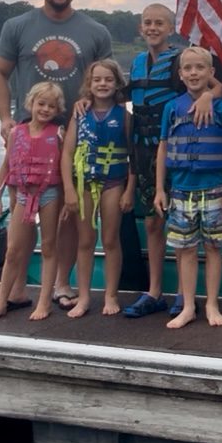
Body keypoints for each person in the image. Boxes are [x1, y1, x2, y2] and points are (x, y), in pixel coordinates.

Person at [0, 0, 112, 316]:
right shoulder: (17, 26)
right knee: (21, 211)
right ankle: (16, 289)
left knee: (68, 212)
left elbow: (107, 81)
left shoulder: (96, 31)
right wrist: (5, 119)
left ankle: (62, 284)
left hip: (76, 136)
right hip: (29, 137)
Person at [122, 4, 222, 319]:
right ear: (141, 28)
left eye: (159, 23)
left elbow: (218, 86)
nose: (153, 28)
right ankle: (154, 292)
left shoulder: (181, 61)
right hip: (144, 152)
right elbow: (121, 96)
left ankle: (183, 293)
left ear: (170, 28)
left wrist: (208, 97)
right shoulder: (137, 63)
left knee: (180, 226)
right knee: (153, 221)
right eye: (148, 23)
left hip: (176, 155)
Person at [154, 46, 222, 329]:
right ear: (180, 74)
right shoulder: (171, 108)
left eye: (200, 68)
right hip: (180, 190)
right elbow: (163, 148)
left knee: (214, 247)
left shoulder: (221, 108)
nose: (193, 73)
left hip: (214, 188)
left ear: (211, 72)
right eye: (188, 68)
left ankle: (212, 303)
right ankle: (188, 305)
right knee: (186, 249)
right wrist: (160, 189)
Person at [0, 81, 65, 323]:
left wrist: (67, 198)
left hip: (50, 195)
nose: (45, 109)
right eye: (41, 104)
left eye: (51, 106)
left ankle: (44, 301)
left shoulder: (58, 134)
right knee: (13, 250)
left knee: (49, 247)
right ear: (31, 103)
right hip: (23, 196)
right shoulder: (17, 132)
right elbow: (6, 165)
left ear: (57, 110)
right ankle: (2, 301)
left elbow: (64, 167)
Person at [60, 59, 134, 318]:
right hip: (84, 184)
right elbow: (67, 153)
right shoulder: (79, 114)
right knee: (86, 240)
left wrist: (130, 189)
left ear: (117, 84)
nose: (103, 84)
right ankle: (83, 297)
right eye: (97, 80)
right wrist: (69, 189)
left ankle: (111, 295)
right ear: (89, 85)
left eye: (108, 80)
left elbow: (134, 156)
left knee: (110, 239)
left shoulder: (125, 117)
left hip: (114, 183)